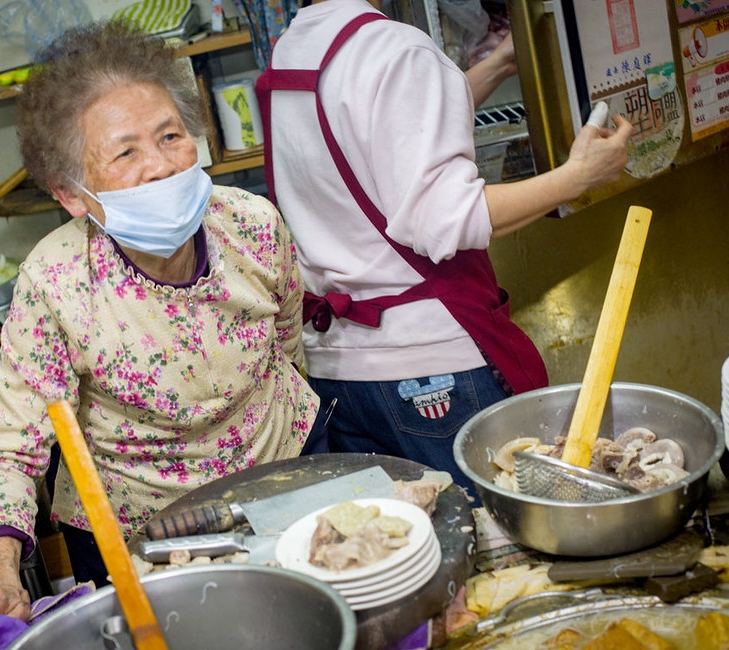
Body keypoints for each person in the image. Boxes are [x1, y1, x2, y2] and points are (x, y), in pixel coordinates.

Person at [0, 21, 320, 650]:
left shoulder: (252, 225)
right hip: (141, 542)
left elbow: (288, 346)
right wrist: (1, 576)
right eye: (125, 152)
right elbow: (11, 449)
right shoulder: (56, 282)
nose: (161, 166)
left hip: (283, 488)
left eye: (171, 136)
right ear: (71, 194)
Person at [255, 0, 633, 493]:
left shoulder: (293, 51)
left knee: (411, 553)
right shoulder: (396, 49)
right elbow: (444, 220)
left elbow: (389, 131)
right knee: (501, 546)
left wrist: (498, 65)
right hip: (432, 373)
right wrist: (576, 178)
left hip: (340, 371)